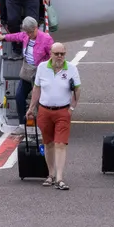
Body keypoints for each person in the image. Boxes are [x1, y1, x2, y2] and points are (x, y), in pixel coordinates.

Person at [26, 42, 79, 190]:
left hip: (63, 111)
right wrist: (31, 108)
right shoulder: (42, 68)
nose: (60, 57)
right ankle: (51, 174)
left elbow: (77, 90)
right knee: (48, 143)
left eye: (62, 54)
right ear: (51, 54)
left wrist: (72, 108)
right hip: (44, 111)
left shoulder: (72, 69)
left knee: (60, 144)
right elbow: (36, 89)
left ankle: (60, 178)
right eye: (57, 54)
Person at [0, 16, 53, 133]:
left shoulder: (46, 39)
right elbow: (16, 36)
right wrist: (3, 37)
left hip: (40, 73)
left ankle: (43, 125)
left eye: (31, 32)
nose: (29, 35)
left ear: (36, 28)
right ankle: (22, 123)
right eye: (27, 32)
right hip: (27, 71)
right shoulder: (25, 35)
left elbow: (52, 56)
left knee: (40, 101)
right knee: (19, 96)